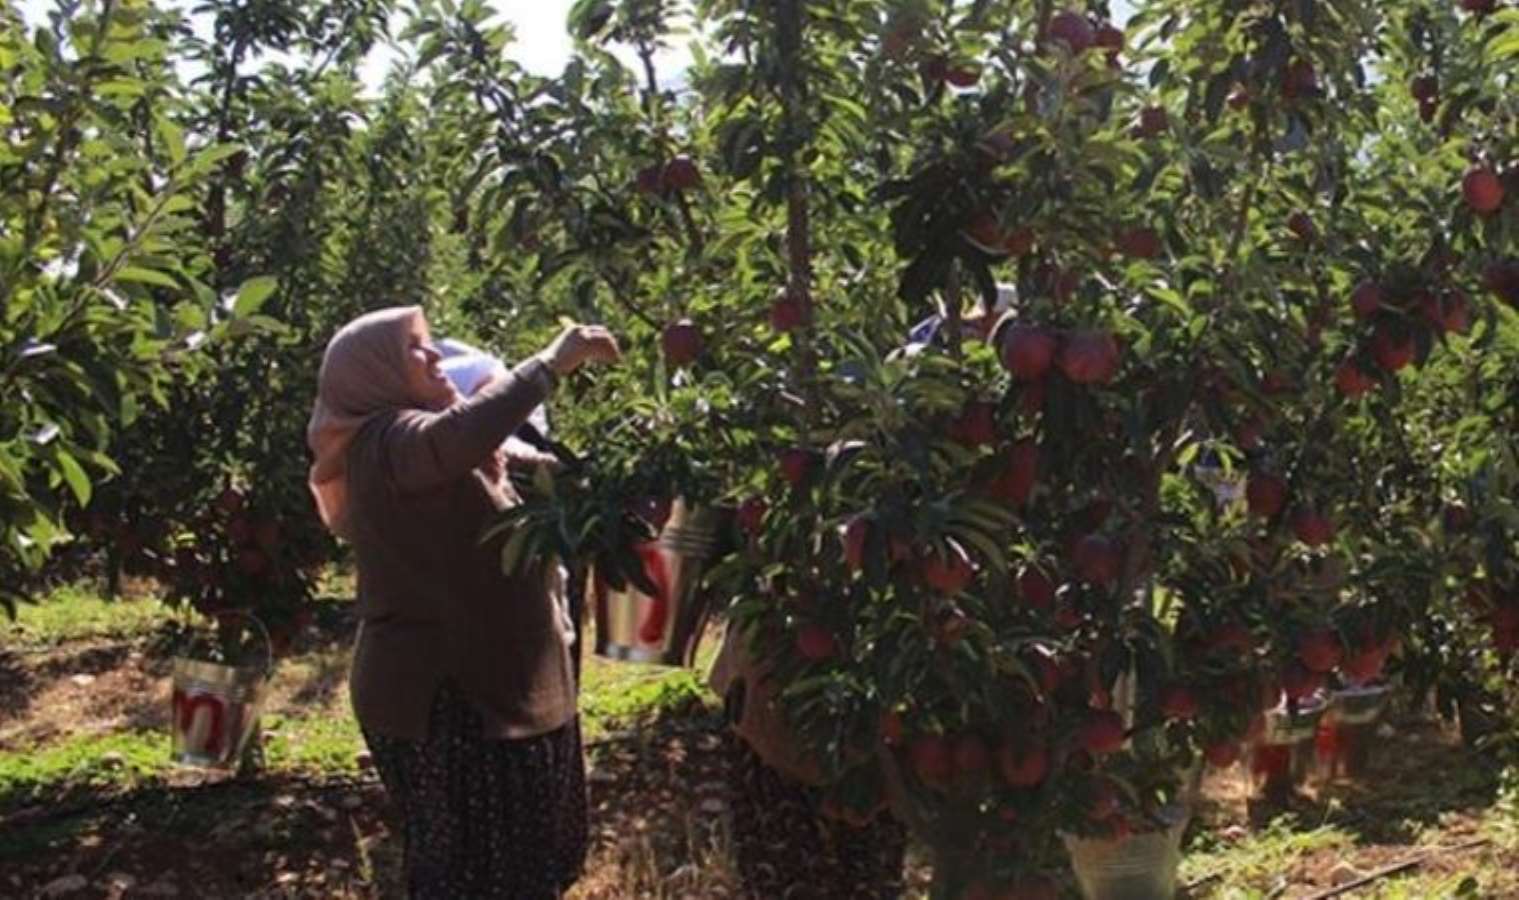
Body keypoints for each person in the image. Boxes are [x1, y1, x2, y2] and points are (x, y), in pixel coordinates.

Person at [306, 306, 619, 899]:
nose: (435, 358)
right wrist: (550, 364)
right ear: (374, 377)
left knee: (513, 873)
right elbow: (459, 435)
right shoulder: (383, 442)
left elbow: (496, 458)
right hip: (448, 705)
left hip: (491, 696)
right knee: (476, 879)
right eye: (414, 350)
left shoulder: (440, 455)